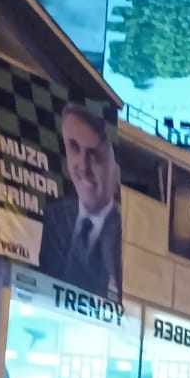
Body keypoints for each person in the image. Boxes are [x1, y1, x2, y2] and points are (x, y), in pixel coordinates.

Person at [36, 102, 124, 300]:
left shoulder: (125, 241)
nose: (83, 167)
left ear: (116, 173)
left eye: (95, 156)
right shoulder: (50, 217)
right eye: (74, 148)